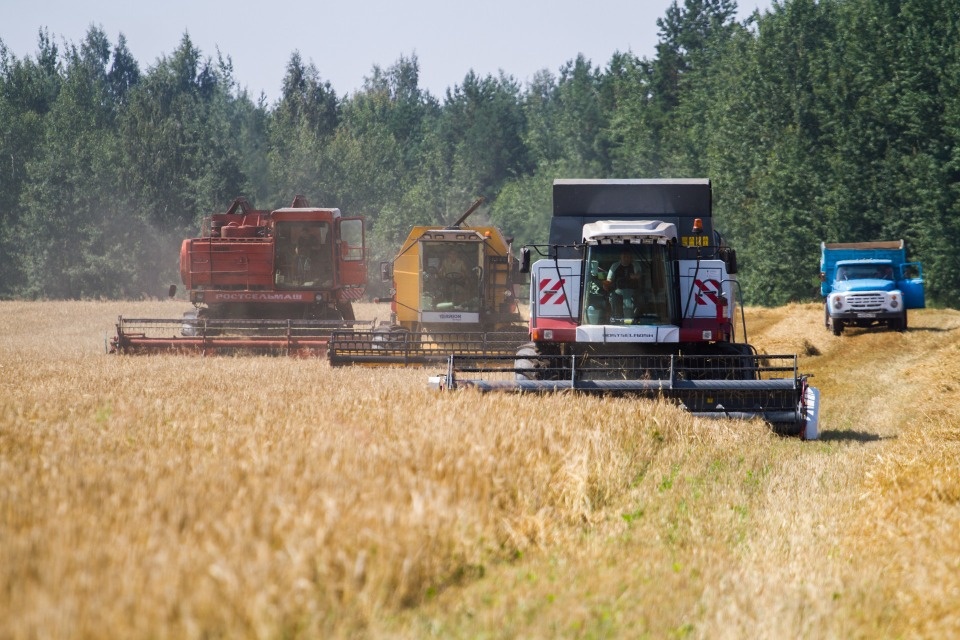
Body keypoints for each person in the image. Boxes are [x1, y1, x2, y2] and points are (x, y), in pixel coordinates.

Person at [605, 251, 641, 319]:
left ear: (631, 258)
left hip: (633, 291)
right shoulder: (615, 266)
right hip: (618, 291)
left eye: (628, 257)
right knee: (612, 297)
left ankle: (631, 318)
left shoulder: (635, 265)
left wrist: (635, 276)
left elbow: (638, 274)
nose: (626, 258)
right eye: (624, 257)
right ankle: (616, 316)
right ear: (620, 257)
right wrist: (606, 285)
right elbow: (609, 279)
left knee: (639, 298)